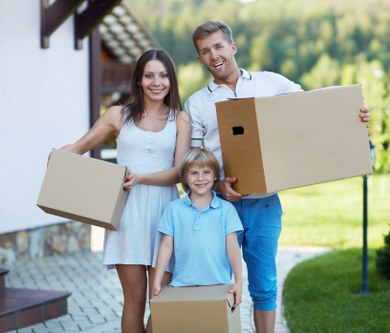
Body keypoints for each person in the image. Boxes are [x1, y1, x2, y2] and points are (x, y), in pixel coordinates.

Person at [184, 20, 370, 333]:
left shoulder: (270, 84)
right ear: (200, 59)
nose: (213, 54)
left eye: (218, 46)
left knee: (264, 285)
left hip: (263, 204)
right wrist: (217, 184)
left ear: (232, 47)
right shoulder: (198, 104)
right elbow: (194, 159)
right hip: (216, 207)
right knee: (214, 283)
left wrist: (354, 114)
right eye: (205, 51)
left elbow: (311, 111)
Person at [58, 49, 191, 333]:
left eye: (164, 75)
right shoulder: (118, 115)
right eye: (150, 75)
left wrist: (142, 177)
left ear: (171, 80)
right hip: (127, 216)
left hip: (166, 217)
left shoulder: (181, 120)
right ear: (139, 80)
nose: (157, 82)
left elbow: (179, 173)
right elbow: (79, 146)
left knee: (161, 301)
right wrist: (58, 156)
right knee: (134, 301)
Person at [152, 148, 243, 309]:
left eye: (206, 172)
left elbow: (233, 248)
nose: (200, 178)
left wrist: (239, 282)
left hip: (218, 285)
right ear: (185, 178)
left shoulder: (227, 209)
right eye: (193, 173)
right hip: (182, 285)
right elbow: (166, 246)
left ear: (215, 175)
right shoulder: (174, 209)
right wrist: (157, 281)